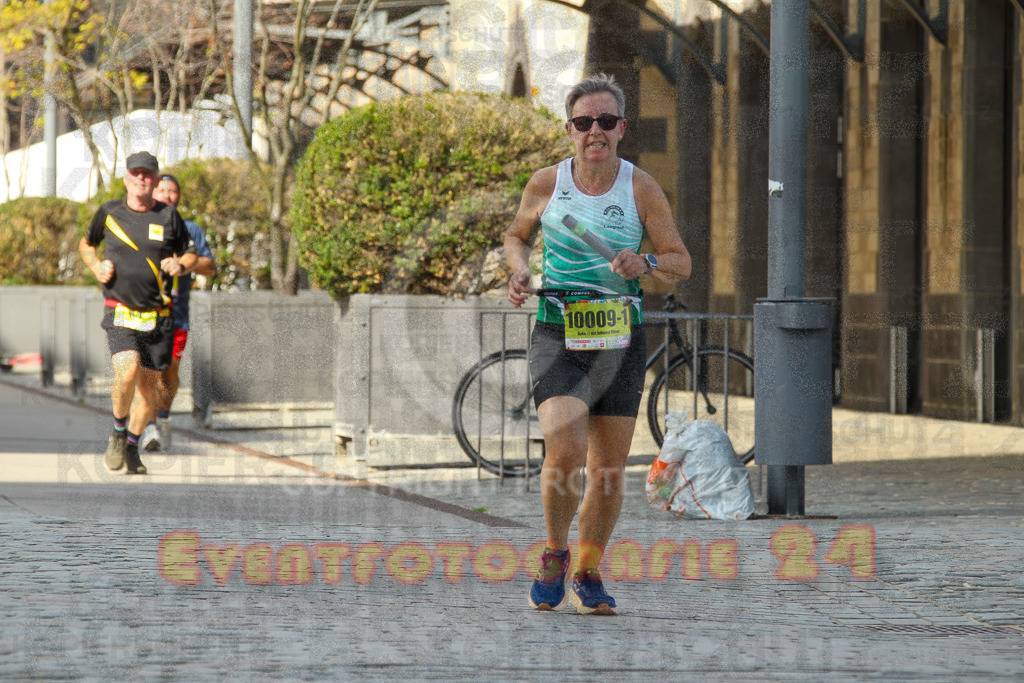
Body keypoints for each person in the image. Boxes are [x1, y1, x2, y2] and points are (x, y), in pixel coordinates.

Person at [505, 74, 692, 614]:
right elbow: (517, 236)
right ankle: (554, 553)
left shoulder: (640, 187)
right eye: (584, 122)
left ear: (621, 129)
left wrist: (648, 262)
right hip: (559, 332)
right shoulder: (546, 183)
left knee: (608, 473)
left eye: (605, 122)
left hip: (618, 339)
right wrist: (519, 271)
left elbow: (680, 262)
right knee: (565, 452)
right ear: (569, 130)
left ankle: (587, 571)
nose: (595, 132)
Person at [79, 151, 198, 475]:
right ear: (126, 179)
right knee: (127, 370)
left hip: (157, 315)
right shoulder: (109, 212)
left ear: (156, 180)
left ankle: (132, 445)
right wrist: (95, 266)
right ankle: (118, 433)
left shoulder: (168, 216)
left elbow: (189, 253)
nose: (142, 179)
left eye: (148, 174)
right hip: (120, 308)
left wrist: (180, 264)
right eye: (136, 174)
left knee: (149, 395)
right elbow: (87, 244)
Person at [140, 174, 216, 452]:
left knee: (169, 371)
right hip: (145, 310)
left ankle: (163, 417)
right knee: (148, 370)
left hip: (177, 314)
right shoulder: (141, 225)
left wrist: (185, 263)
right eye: (162, 189)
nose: (167, 195)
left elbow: (210, 266)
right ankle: (150, 426)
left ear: (179, 197)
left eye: (172, 191)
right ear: (152, 193)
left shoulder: (190, 229)